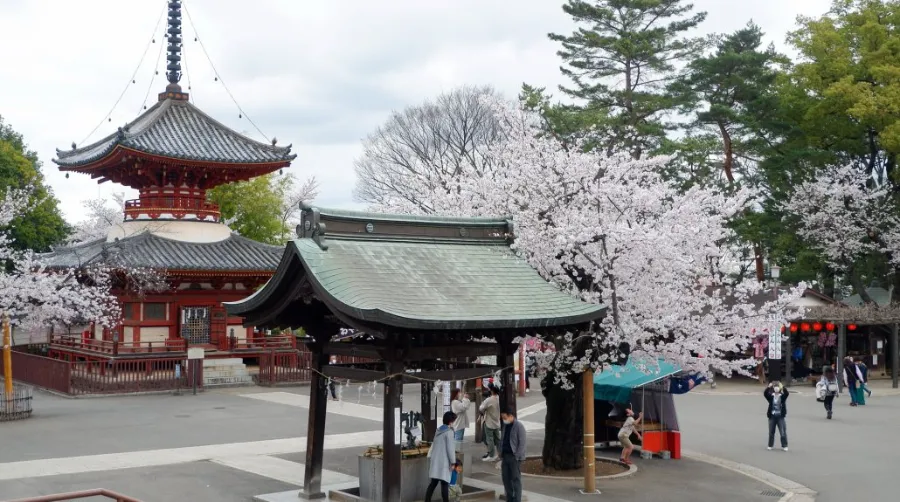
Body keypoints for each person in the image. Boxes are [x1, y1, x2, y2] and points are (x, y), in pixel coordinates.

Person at [426, 411, 458, 502]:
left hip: (436, 461)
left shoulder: (438, 430)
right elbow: (450, 449)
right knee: (444, 483)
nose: (454, 423)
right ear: (450, 421)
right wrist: (453, 462)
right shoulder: (449, 432)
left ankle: (427, 500)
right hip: (444, 462)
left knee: (433, 483)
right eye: (453, 421)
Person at [500, 407, 527, 502]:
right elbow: (502, 439)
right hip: (505, 455)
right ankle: (510, 498)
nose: (504, 419)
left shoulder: (519, 426)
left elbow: (522, 443)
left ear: (511, 416)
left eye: (505, 417)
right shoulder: (505, 426)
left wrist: (517, 456)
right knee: (506, 478)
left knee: (515, 479)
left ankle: (517, 499)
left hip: (514, 456)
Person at [764, 381, 789, 451]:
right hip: (772, 416)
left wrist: (783, 386)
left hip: (780, 417)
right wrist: (769, 387)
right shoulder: (771, 396)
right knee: (771, 432)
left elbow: (787, 393)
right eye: (775, 387)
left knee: (782, 432)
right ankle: (770, 445)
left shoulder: (782, 396)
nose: (776, 388)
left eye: (777, 387)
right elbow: (765, 394)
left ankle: (784, 445)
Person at [479, 385, 501, 461]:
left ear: (492, 391)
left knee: (490, 439)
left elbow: (481, 408)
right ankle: (500, 455)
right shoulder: (500, 398)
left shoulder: (489, 400)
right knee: (498, 439)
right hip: (497, 422)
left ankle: (491, 455)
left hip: (489, 422)